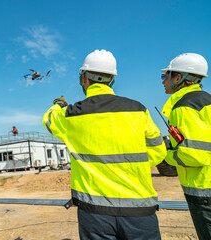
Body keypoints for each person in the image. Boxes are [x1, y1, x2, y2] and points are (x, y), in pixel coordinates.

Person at [43, 49, 166, 239]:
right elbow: (158, 152)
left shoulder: (72, 114)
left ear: (83, 78)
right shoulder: (138, 110)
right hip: (139, 209)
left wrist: (58, 104)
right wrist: (130, 166)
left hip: (95, 212)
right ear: (112, 80)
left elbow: (48, 119)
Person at [161, 53, 211, 240]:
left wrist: (165, 154)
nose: (163, 81)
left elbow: (194, 155)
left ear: (178, 78)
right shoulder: (206, 101)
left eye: (165, 76)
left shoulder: (184, 106)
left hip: (204, 190)